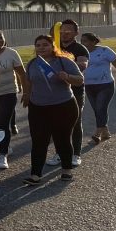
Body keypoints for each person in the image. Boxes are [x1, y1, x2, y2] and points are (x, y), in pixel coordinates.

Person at [22, 35, 84, 184]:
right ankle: (36, 175)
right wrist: (26, 94)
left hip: (63, 106)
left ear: (52, 46)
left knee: (62, 139)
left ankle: (66, 170)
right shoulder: (32, 63)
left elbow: (80, 80)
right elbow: (28, 81)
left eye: (45, 45)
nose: (41, 48)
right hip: (38, 107)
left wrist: (67, 76)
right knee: (38, 141)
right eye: (38, 45)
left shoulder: (64, 62)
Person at [47, 19, 88, 168]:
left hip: (75, 91)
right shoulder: (53, 48)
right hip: (55, 92)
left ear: (76, 33)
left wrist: (62, 66)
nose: (64, 33)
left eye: (68, 31)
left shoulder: (80, 49)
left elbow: (82, 65)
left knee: (75, 122)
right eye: (62, 30)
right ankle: (60, 153)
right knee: (57, 124)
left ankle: (76, 154)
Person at [79, 33, 116, 143]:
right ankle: (105, 131)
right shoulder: (80, 53)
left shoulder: (105, 51)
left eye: (85, 41)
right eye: (82, 41)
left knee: (100, 107)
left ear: (93, 42)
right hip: (88, 86)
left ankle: (97, 133)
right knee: (98, 110)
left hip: (105, 85)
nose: (83, 43)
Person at [0, 29, 27, 170]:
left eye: (1, 38)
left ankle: (2, 154)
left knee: (3, 123)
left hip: (8, 92)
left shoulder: (11, 53)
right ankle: (4, 144)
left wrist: (26, 92)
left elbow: (22, 73)